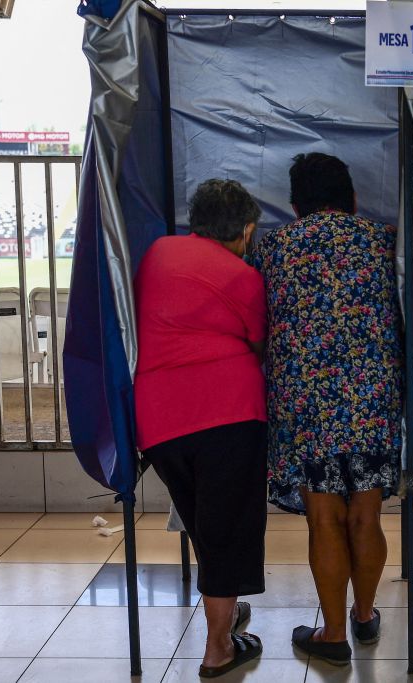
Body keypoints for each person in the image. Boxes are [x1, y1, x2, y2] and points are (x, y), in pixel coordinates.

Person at [254, 153, 403, 666]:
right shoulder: (383, 241)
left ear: (295, 206)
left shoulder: (274, 247)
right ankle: (364, 616)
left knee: (324, 519)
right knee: (366, 514)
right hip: (371, 399)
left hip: (308, 404)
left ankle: (333, 633)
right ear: (353, 198)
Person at [134, 179, 268, 678]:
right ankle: (218, 648)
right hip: (228, 415)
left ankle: (224, 613)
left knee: (201, 524)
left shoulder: (157, 253)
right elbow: (259, 343)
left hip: (160, 422)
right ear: (247, 230)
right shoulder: (244, 277)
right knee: (227, 529)